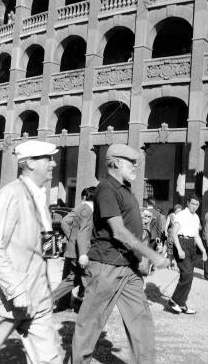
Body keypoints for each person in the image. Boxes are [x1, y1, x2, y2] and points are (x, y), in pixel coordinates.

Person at [0, 140, 63, 364]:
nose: (53, 163)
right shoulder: (11, 195)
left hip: (37, 296)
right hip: (9, 298)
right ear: (29, 164)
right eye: (47, 158)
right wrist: (17, 291)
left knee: (48, 358)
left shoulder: (39, 195)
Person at [70, 143, 169, 363]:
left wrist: (141, 259)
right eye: (130, 162)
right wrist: (151, 255)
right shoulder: (106, 188)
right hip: (106, 267)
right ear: (115, 163)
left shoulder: (125, 190)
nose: (135, 166)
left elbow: (132, 229)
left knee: (142, 324)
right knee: (89, 327)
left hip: (129, 269)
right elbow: (119, 232)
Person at [52, 186, 96, 310]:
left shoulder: (86, 209)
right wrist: (73, 237)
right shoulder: (86, 209)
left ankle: (47, 301)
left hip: (75, 251)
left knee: (72, 279)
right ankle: (86, 308)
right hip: (79, 251)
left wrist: (72, 238)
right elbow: (65, 222)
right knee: (87, 279)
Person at [168, 194, 207, 315]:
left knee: (189, 276)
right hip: (181, 242)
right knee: (187, 273)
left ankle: (182, 303)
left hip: (191, 245)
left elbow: (196, 236)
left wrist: (204, 251)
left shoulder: (196, 217)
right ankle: (174, 300)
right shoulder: (181, 215)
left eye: (197, 204)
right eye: (192, 204)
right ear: (188, 203)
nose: (194, 206)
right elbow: (174, 233)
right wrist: (179, 249)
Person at [165, 204, 182, 270]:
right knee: (170, 249)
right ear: (175, 210)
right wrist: (166, 232)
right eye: (178, 210)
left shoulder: (182, 216)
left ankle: (175, 264)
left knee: (177, 249)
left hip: (178, 234)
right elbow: (166, 225)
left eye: (180, 210)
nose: (179, 212)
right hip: (171, 234)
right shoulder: (171, 215)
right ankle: (169, 263)